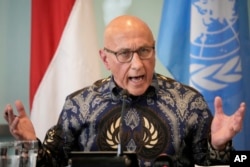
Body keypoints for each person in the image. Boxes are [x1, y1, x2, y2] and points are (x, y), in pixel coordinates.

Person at [3, 15, 246, 167]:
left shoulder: (189, 102)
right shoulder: (79, 105)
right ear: (105, 59)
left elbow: (216, 163)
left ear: (154, 50)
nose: (138, 64)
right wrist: (29, 143)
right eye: (124, 54)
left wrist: (220, 145)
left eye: (144, 51)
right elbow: (51, 163)